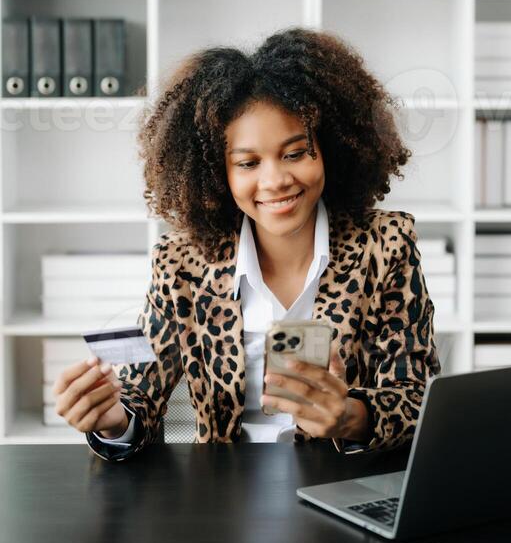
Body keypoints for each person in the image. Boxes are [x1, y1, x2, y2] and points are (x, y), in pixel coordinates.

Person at [52, 27, 441, 461]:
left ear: (330, 150)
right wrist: (112, 422)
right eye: (248, 163)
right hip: (225, 495)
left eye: (295, 153)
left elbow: (415, 397)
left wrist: (349, 416)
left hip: (343, 488)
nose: (275, 180)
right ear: (218, 173)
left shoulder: (385, 245)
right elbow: (141, 397)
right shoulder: (183, 262)